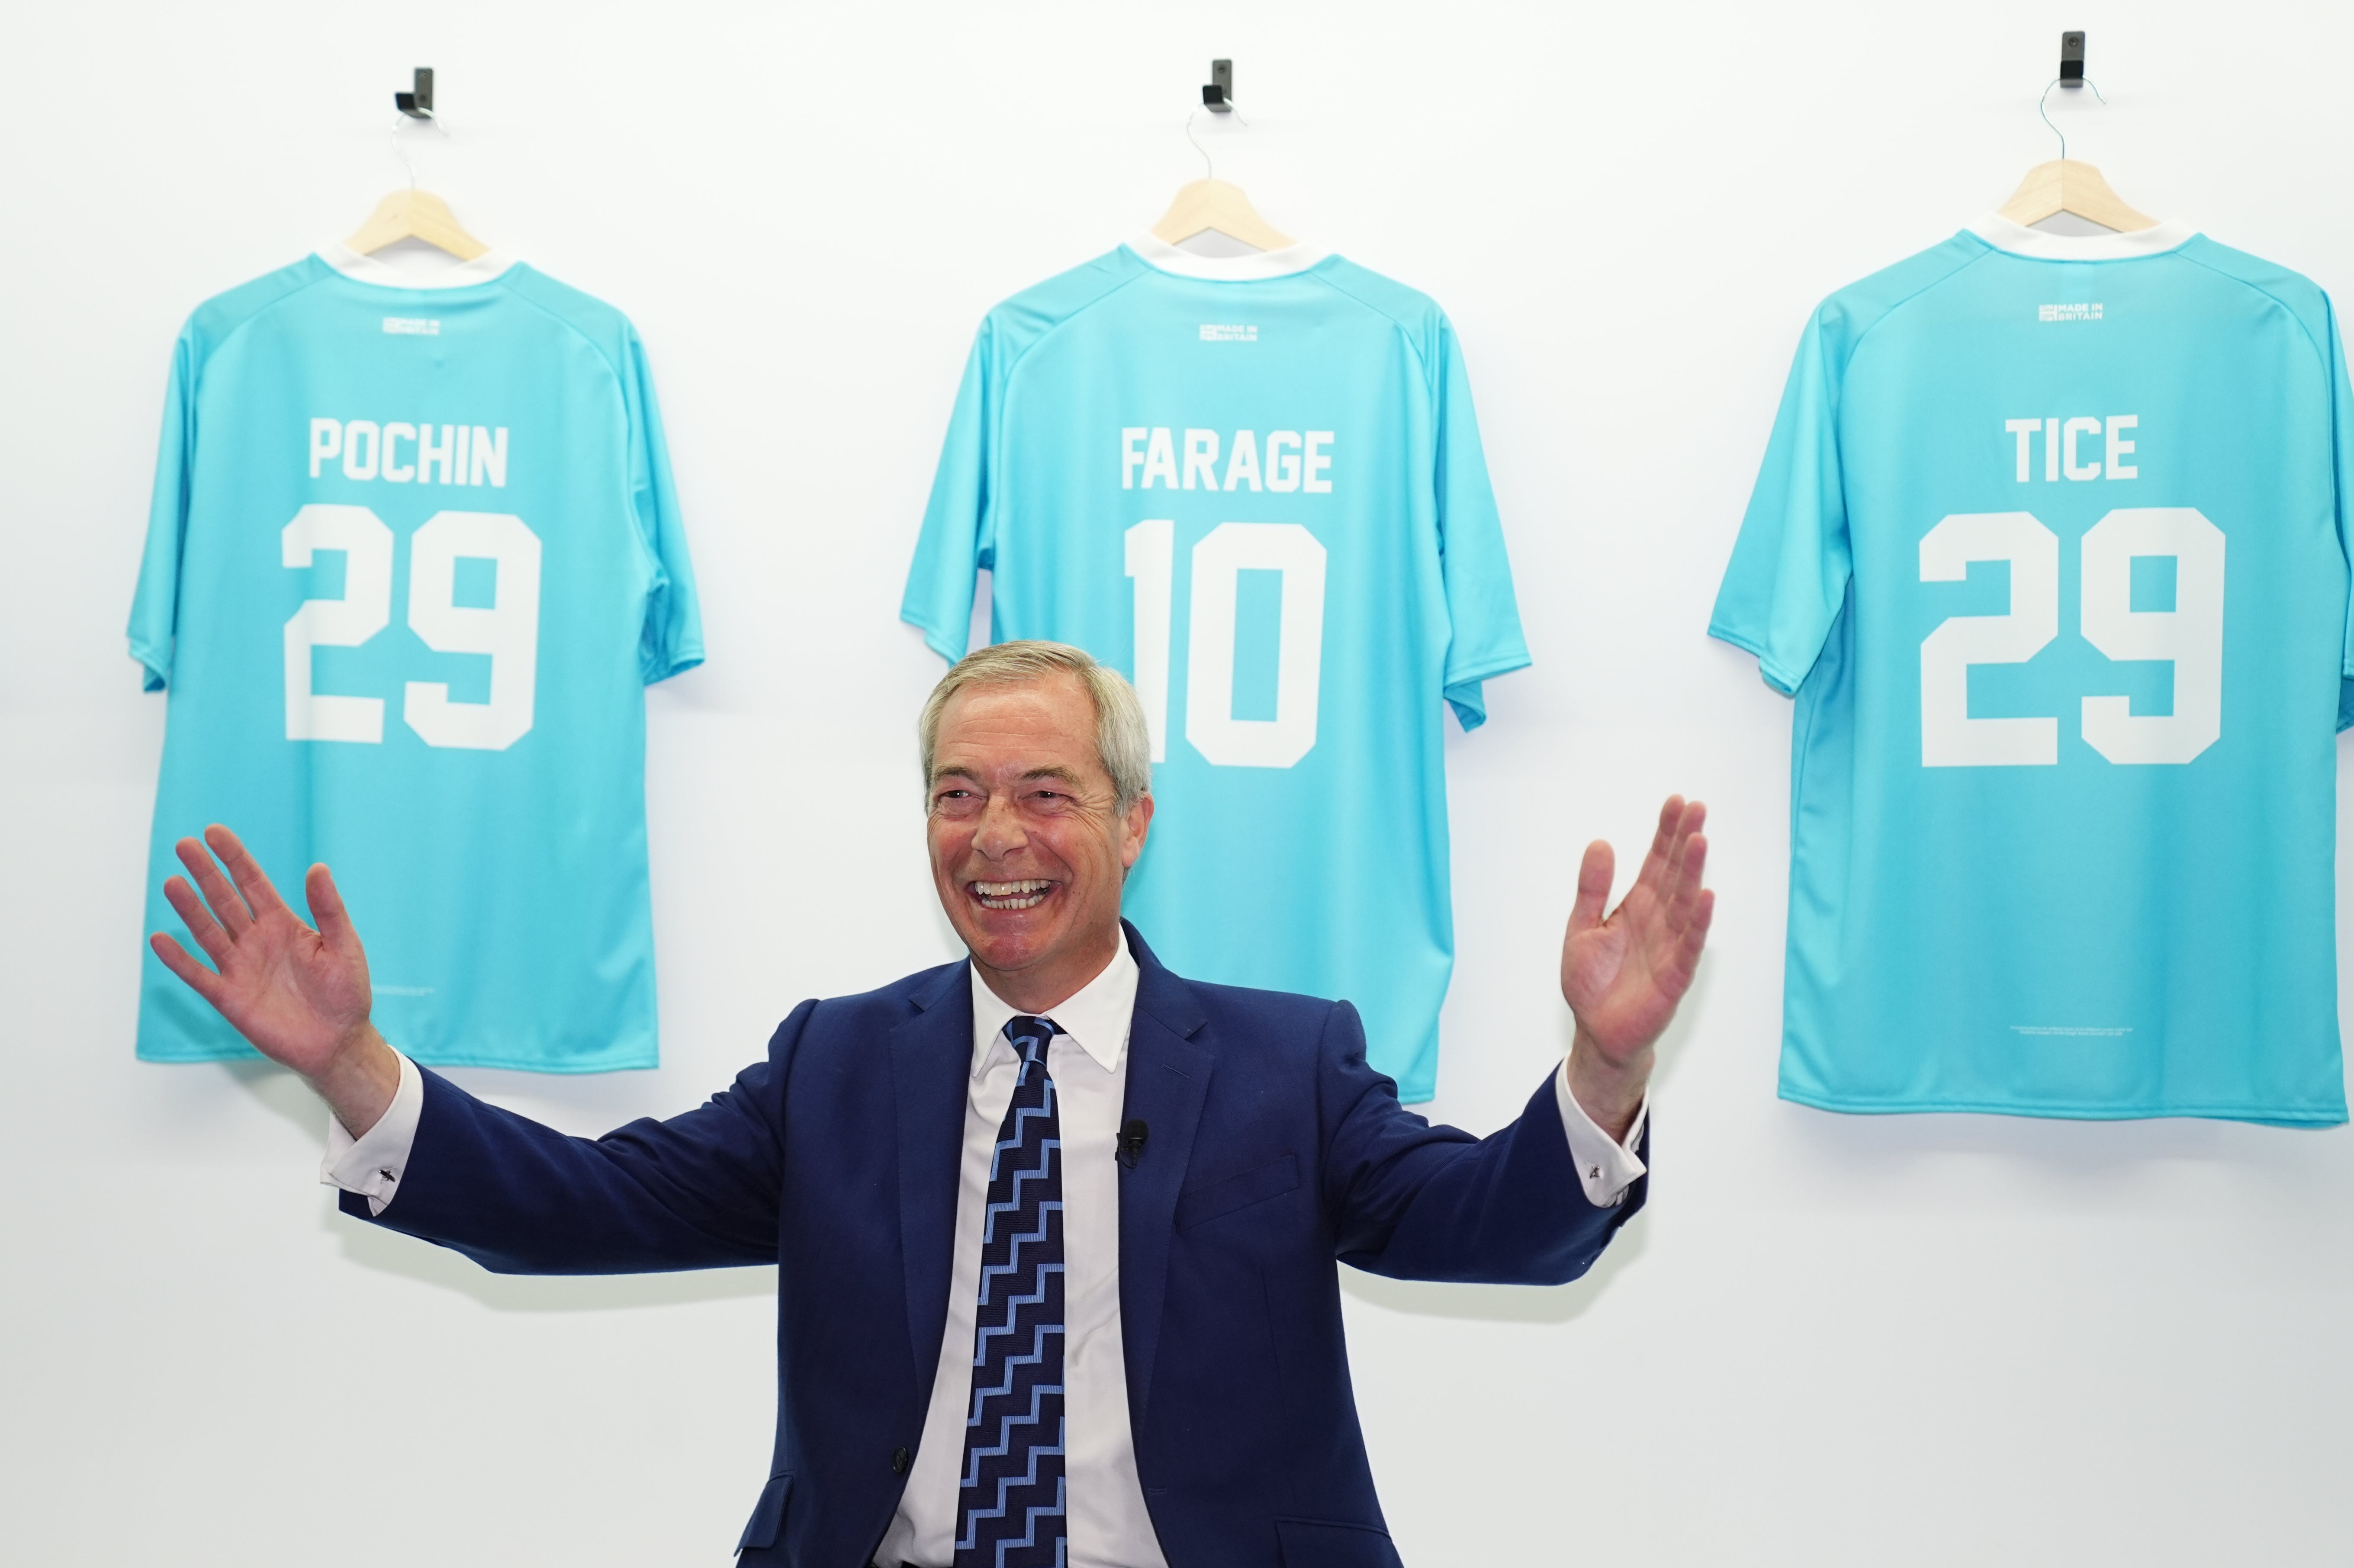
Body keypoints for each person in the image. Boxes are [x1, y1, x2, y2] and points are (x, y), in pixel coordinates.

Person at [152, 639, 1713, 1568]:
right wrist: (350, 1064)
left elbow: (1489, 1232)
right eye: (958, 793)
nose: (996, 835)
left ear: (1132, 819)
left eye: (1046, 792)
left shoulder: (1287, 1063)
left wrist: (1608, 1065)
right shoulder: (839, 1063)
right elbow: (581, 1209)